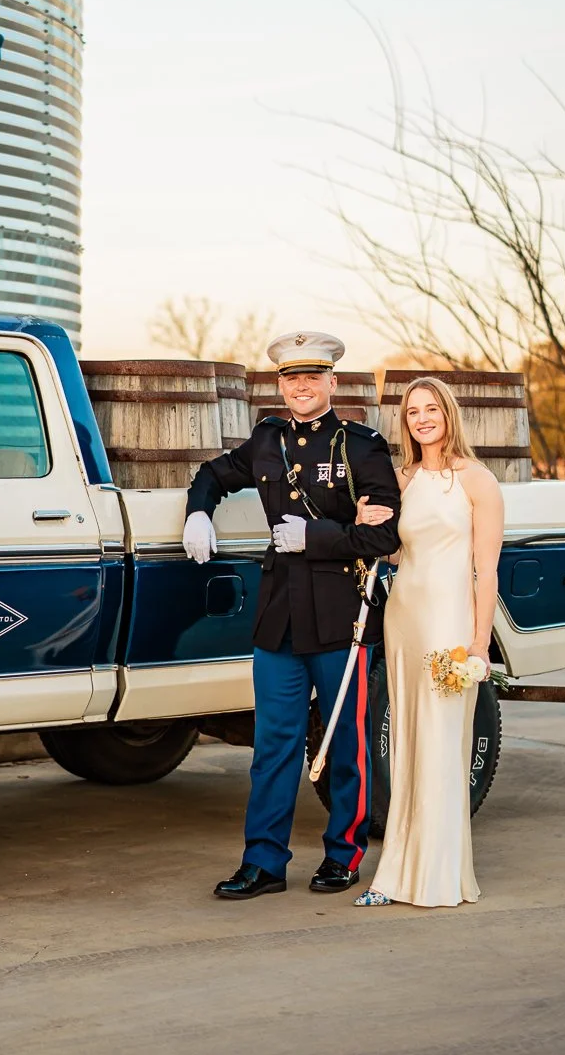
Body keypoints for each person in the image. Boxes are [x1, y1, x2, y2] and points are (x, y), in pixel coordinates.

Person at [183, 331, 401, 899]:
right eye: (290, 378)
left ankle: (343, 855)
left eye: (312, 377)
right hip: (278, 617)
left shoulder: (361, 446)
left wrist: (318, 536)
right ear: (279, 385)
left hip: (340, 618)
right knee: (273, 744)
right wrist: (198, 512)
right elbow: (212, 474)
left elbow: (385, 535)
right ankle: (264, 862)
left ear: (333, 382)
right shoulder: (266, 440)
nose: (301, 386)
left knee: (344, 747)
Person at [353, 375, 505, 909]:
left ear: (448, 414)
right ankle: (393, 873)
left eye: (431, 409)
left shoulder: (477, 481)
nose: (422, 418)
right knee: (408, 748)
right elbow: (395, 553)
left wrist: (479, 646)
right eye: (413, 411)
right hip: (404, 621)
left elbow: (486, 572)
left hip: (449, 625)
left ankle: (438, 876)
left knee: (441, 746)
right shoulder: (402, 478)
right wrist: (362, 519)